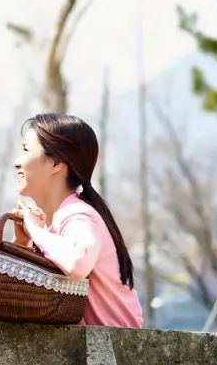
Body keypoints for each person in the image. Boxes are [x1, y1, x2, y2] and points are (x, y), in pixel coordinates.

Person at [11, 113, 143, 328]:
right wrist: (21, 245)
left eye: (25, 150)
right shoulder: (54, 222)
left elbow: (77, 264)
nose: (17, 162)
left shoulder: (80, 216)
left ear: (55, 163)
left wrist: (37, 230)